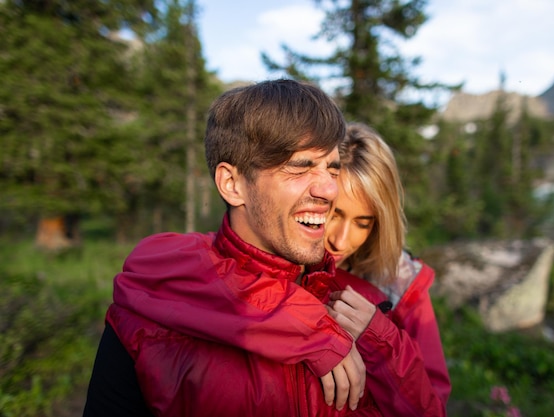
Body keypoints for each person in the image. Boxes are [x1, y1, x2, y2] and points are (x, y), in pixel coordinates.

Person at [83, 79, 367, 417]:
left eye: (332, 169)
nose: (329, 190)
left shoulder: (355, 307)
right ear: (232, 185)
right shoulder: (145, 318)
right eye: (299, 167)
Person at [324, 122, 451, 415]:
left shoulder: (404, 287)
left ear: (380, 223)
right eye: (334, 212)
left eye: (362, 222)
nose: (340, 239)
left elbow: (430, 407)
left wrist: (378, 339)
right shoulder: (280, 263)